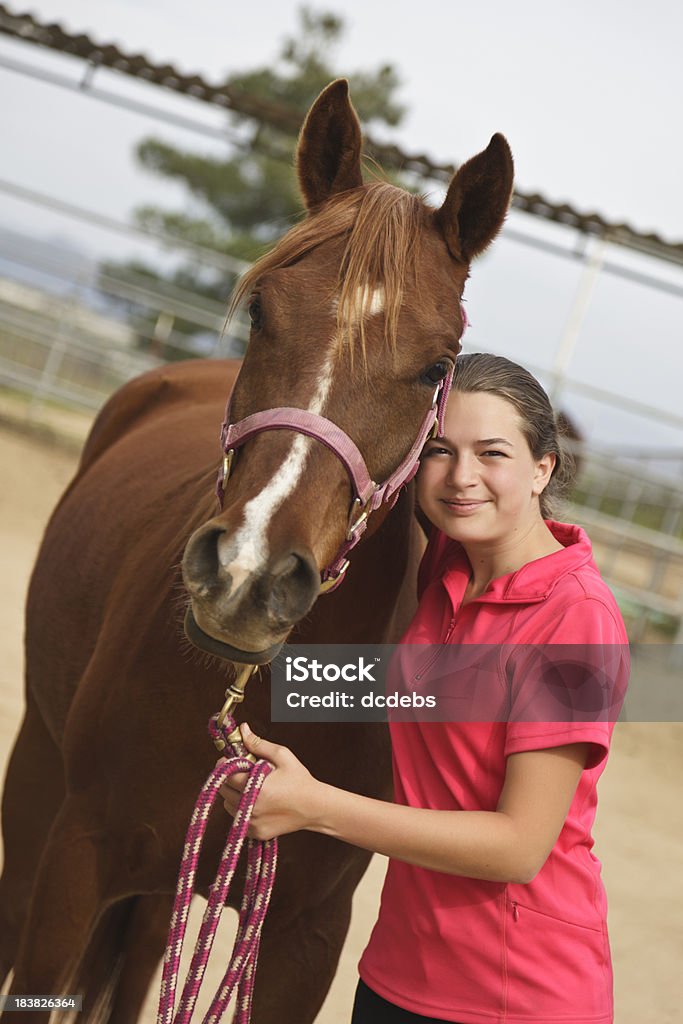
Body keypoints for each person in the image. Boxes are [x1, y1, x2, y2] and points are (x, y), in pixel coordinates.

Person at [220, 353, 629, 1024]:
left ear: (541, 469)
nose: (461, 477)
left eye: (491, 453)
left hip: (513, 995)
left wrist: (312, 805)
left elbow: (518, 846)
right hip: (395, 976)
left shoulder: (576, 617)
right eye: (440, 451)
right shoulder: (447, 564)